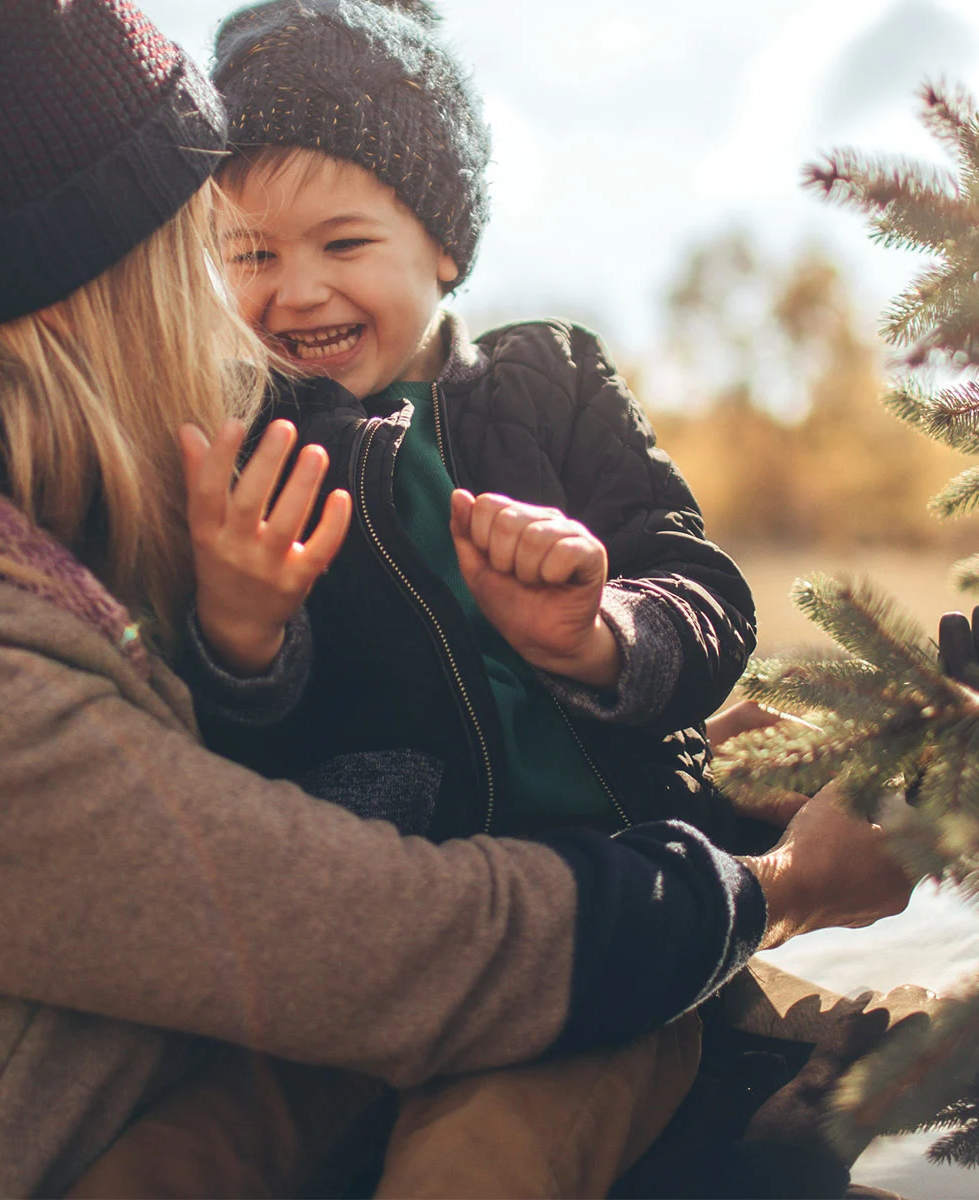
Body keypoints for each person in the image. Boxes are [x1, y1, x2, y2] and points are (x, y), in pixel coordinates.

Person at [0, 0, 912, 1196]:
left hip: (383, 1027)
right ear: (96, 282)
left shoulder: (56, 507)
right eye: (223, 245)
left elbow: (677, 585)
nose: (266, 298)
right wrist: (791, 877)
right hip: (370, 1015)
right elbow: (386, 945)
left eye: (340, 243)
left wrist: (627, 674)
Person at [129, 1, 765, 1192]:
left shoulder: (551, 382)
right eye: (250, 254)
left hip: (603, 931)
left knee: (481, 1163)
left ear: (445, 249)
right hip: (363, 956)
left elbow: (705, 590)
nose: (296, 291)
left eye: (345, 243)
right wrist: (242, 627)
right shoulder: (235, 445)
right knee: (176, 1153)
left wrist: (603, 635)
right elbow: (221, 743)